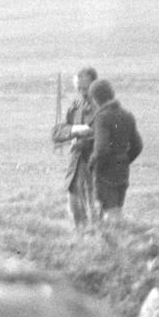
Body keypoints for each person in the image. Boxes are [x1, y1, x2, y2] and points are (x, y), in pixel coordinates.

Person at [86, 78, 143, 223]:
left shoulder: (102, 117)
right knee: (117, 209)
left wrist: (92, 164)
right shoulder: (127, 115)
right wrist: (123, 160)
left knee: (109, 214)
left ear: (95, 99)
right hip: (122, 171)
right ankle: (120, 240)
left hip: (105, 173)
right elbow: (138, 145)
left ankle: (114, 242)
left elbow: (101, 149)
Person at [51, 67, 98, 227]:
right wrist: (75, 130)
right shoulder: (75, 106)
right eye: (79, 88)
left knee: (96, 213)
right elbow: (56, 132)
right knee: (76, 212)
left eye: (85, 88)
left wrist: (88, 137)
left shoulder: (104, 107)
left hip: (96, 168)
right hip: (76, 168)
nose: (82, 92)